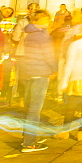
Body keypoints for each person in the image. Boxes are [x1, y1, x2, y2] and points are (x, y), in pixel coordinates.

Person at [18, 10, 55, 153]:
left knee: (29, 107)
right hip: (40, 72)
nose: (49, 22)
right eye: (48, 20)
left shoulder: (28, 33)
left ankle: (28, 137)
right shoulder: (41, 36)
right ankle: (29, 143)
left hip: (28, 72)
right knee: (35, 109)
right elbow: (49, 55)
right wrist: (54, 69)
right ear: (43, 19)